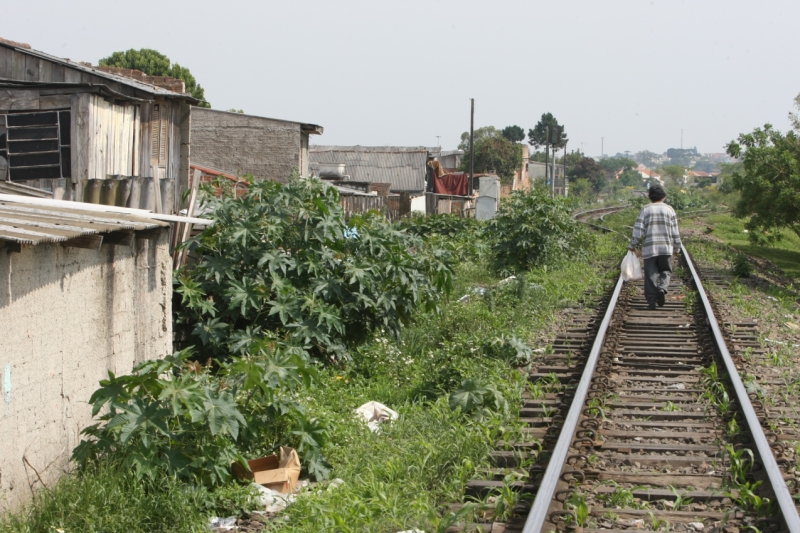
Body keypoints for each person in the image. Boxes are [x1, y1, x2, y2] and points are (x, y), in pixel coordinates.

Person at [629, 184, 682, 309]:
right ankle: (662, 288)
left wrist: (632, 245)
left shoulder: (645, 209)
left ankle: (652, 301)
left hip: (650, 248)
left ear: (650, 196)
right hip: (666, 247)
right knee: (666, 271)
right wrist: (677, 247)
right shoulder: (670, 210)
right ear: (663, 196)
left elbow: (638, 230)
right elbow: (675, 231)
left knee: (650, 274)